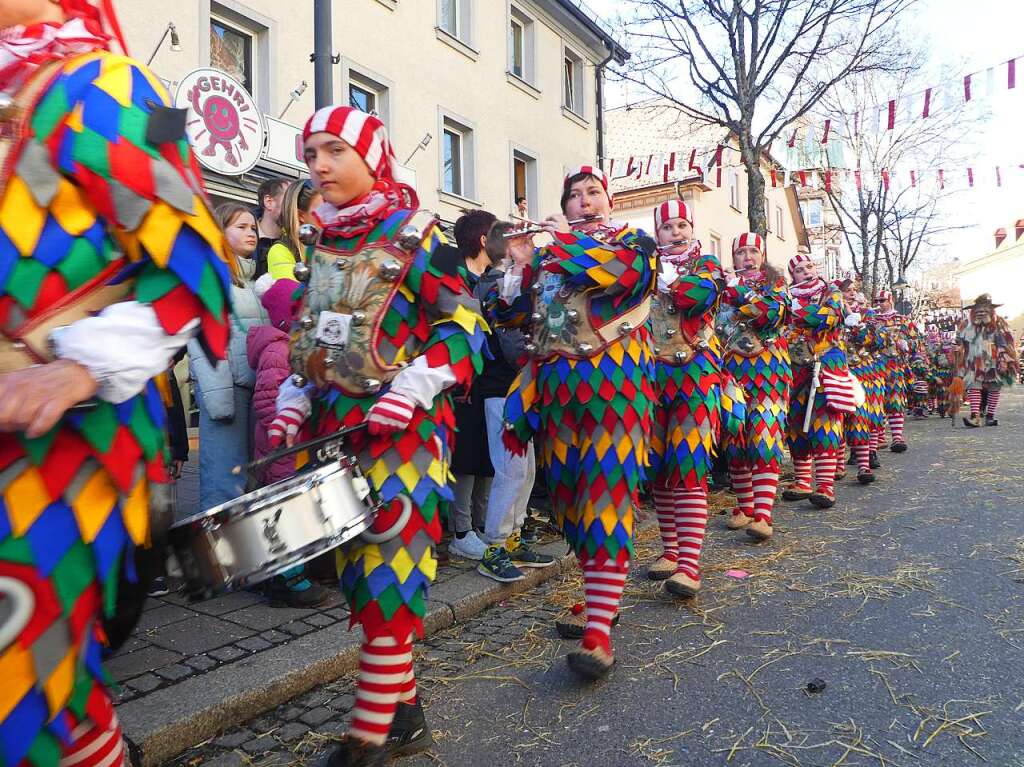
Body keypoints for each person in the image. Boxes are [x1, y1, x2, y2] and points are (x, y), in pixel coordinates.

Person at [0, 2, 233, 764]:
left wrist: (78, 365)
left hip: (62, 453)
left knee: (24, 686)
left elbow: (196, 265)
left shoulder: (114, 84)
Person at [271, 106, 488, 766]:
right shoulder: (324, 243)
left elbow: (466, 331)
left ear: (373, 156)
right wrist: (293, 393)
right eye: (312, 154)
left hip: (408, 435)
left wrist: (414, 386)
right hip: (341, 433)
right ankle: (407, 716)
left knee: (388, 565)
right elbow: (315, 339)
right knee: (363, 580)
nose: (319, 166)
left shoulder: (421, 235)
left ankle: (365, 738)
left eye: (335, 150)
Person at [502, 165, 656, 679]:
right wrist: (521, 267)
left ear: (609, 202)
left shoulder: (634, 241)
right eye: (574, 196)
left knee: (606, 498)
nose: (585, 201)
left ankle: (598, 635)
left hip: (615, 389)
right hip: (556, 391)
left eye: (594, 193)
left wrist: (557, 242)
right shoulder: (551, 255)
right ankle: (600, 601)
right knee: (571, 503)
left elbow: (614, 275)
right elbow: (526, 319)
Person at [643, 200, 725, 593]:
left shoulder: (706, 264)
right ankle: (670, 549)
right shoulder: (643, 265)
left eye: (681, 225)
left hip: (695, 373)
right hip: (650, 375)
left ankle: (689, 564)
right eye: (667, 227)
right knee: (658, 465)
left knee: (688, 464)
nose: (675, 232)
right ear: (656, 233)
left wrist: (669, 282)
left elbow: (701, 296)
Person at [474, 220, 554, 582]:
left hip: (521, 389)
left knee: (527, 469)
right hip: (502, 388)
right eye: (523, 241)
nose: (531, 245)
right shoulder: (493, 283)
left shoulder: (523, 280)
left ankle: (514, 538)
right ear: (507, 247)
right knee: (510, 469)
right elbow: (512, 341)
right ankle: (494, 546)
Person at [187, 204, 267, 512]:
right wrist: (220, 403)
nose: (251, 233)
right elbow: (204, 340)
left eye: (253, 228)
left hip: (251, 393)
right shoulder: (211, 278)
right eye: (241, 227)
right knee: (224, 484)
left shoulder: (251, 283)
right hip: (227, 394)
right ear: (221, 231)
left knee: (248, 483)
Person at [718, 233, 791, 540]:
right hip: (730, 368)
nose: (747, 257)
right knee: (734, 439)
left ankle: (763, 514)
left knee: (764, 436)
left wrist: (743, 295)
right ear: (733, 257)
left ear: (762, 256)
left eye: (753, 252)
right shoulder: (722, 286)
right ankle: (745, 506)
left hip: (768, 370)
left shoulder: (776, 285)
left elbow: (771, 314)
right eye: (741, 252)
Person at [783, 253, 852, 509]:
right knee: (796, 422)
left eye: (809, 266)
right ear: (793, 275)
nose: (807, 271)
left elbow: (828, 316)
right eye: (799, 269)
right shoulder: (787, 295)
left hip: (826, 363)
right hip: (794, 366)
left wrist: (796, 313)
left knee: (825, 421)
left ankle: (824, 485)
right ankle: (802, 480)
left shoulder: (831, 293)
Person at [448, 210, 498, 563]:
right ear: (483, 239)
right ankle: (460, 532)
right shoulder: (453, 274)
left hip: (491, 379)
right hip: (461, 380)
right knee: (465, 457)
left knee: (486, 456)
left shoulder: (495, 276)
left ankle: (480, 527)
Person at [841, 284, 888, 483]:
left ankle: (864, 465)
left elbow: (876, 341)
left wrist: (853, 318)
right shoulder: (827, 313)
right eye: (845, 289)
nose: (850, 292)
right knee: (836, 418)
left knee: (862, 418)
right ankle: (836, 465)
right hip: (835, 370)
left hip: (864, 372)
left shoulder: (868, 315)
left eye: (852, 289)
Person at [956, 294, 1019, 427]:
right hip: (974, 361)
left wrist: (1004, 359)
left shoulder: (999, 323)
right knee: (973, 386)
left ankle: (990, 416)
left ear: (991, 310)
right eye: (978, 310)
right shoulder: (966, 325)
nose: (981, 312)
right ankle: (975, 416)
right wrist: (957, 351)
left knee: (994, 387)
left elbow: (1006, 342)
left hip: (994, 361)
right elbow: (960, 342)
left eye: (985, 310)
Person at [871, 290, 922, 452]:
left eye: (882, 300)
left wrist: (906, 344)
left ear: (890, 300)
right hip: (875, 366)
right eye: (877, 300)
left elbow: (917, 342)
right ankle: (878, 436)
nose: (879, 303)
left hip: (895, 365)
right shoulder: (872, 320)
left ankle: (897, 437)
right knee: (876, 402)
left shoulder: (903, 320)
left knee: (895, 400)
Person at [266, 179, 323, 280]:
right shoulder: (280, 251)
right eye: (323, 210)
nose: (331, 215)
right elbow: (291, 294)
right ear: (300, 215)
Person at [255, 177, 288, 277]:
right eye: (290, 199)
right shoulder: (240, 237)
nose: (296, 206)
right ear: (269, 202)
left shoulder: (296, 243)